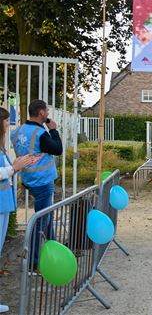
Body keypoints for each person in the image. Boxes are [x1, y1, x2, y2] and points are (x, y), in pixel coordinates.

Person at [11, 100, 62, 269]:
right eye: (46, 110)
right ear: (41, 113)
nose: (48, 112)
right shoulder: (41, 133)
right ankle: (32, 262)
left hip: (29, 179)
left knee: (46, 218)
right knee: (41, 221)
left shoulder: (17, 131)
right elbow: (57, 149)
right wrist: (53, 130)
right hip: (42, 181)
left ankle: (55, 250)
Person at [0, 107, 35, 313]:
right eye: (6, 121)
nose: (8, 124)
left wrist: (18, 165)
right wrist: (14, 168)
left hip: (4, 205)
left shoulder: (2, 147)